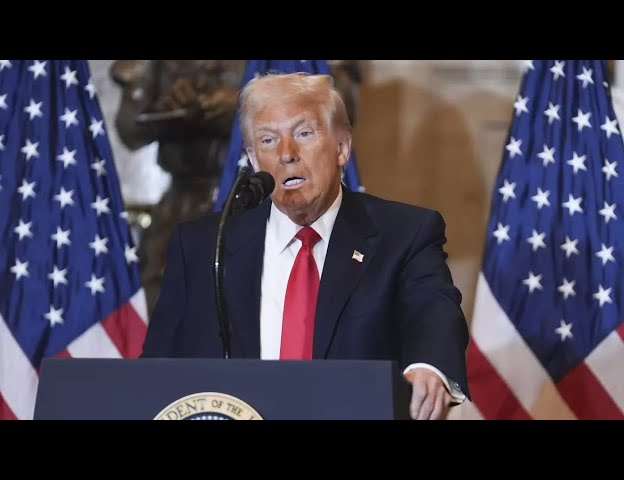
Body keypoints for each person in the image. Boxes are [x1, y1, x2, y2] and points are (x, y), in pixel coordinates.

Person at [140, 72, 471, 420]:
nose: (286, 154)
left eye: (303, 133)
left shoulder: (404, 234)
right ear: (253, 160)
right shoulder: (203, 246)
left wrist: (429, 367)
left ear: (342, 147)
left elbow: (433, 312)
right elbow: (155, 372)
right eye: (268, 141)